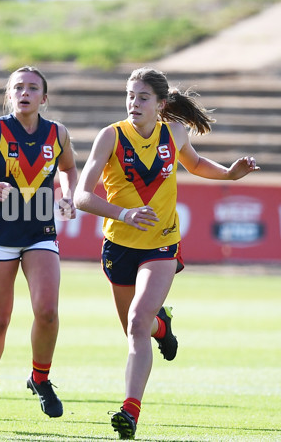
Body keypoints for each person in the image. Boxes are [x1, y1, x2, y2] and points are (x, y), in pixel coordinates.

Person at [73, 67, 259, 439]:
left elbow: (194, 163)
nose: (133, 103)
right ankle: (164, 325)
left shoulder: (173, 132)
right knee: (135, 327)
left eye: (142, 97)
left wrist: (229, 175)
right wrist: (124, 213)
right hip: (119, 245)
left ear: (160, 105)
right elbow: (81, 196)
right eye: (130, 95)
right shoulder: (110, 137)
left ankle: (130, 410)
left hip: (162, 244)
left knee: (137, 323)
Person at [0, 66, 78, 421]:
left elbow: (68, 170)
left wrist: (67, 195)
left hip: (40, 232)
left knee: (48, 311)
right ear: (9, 95)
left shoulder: (59, 133)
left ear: (44, 97)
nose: (25, 93)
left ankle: (40, 378)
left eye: (32, 88)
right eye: (18, 87)